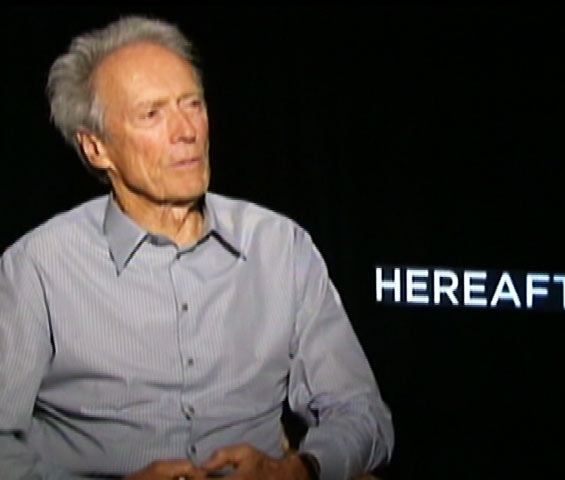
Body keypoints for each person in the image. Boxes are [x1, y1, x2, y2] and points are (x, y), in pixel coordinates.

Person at [0, 15, 393, 480]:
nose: (186, 130)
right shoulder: (39, 267)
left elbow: (363, 414)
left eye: (193, 104)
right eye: (152, 114)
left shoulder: (280, 246)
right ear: (96, 148)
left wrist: (298, 469)